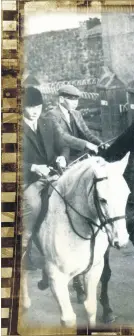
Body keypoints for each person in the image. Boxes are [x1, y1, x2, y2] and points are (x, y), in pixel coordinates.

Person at [22, 86, 68, 268]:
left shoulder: (48, 123)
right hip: (28, 180)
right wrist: (33, 167)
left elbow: (63, 146)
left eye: (38, 108)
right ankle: (24, 244)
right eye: (30, 108)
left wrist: (62, 157)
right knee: (33, 205)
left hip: (53, 174)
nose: (34, 112)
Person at [44, 84, 106, 163]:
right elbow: (62, 135)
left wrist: (101, 144)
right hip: (63, 157)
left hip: (80, 155)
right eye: (72, 99)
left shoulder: (77, 114)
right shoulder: (52, 114)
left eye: (77, 99)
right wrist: (86, 144)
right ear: (61, 99)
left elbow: (87, 134)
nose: (75, 103)